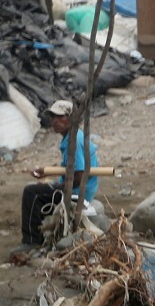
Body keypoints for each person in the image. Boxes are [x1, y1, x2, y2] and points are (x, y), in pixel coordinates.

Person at [19, 99, 98, 246]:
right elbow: (70, 168)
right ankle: (46, 235)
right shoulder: (73, 136)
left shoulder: (74, 140)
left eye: (60, 116)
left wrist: (60, 188)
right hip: (77, 187)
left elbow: (79, 176)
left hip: (79, 192)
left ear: (71, 118)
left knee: (31, 193)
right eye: (53, 117)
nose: (55, 121)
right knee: (41, 189)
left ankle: (31, 242)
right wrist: (47, 173)